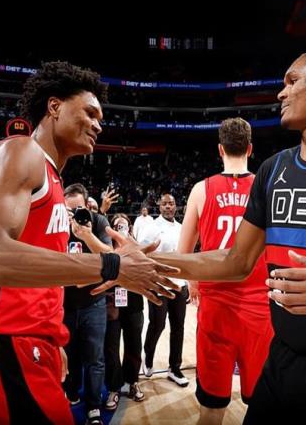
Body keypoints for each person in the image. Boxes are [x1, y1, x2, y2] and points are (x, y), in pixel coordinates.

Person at [95, 49, 306, 424]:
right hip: (281, 359)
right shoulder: (273, 171)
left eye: (293, 81)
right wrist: (148, 260)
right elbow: (234, 261)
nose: (281, 92)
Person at [0, 61, 179, 425]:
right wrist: (112, 265)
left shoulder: (54, 182)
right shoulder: (20, 151)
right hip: (1, 347)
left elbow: (43, 270)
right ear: (54, 107)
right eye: (89, 112)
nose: (98, 124)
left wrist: (52, 338)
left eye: (100, 117)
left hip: (29, 345)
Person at [178, 117, 273, 425]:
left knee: (211, 410)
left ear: (220, 149)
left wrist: (194, 282)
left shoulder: (200, 190)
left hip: (216, 309)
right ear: (250, 148)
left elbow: (183, 252)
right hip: (259, 310)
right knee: (261, 407)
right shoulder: (267, 187)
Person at [62, 183, 112, 425]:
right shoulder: (57, 225)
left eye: (79, 209)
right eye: (69, 210)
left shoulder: (99, 221)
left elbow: (110, 258)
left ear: (87, 205)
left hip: (94, 303)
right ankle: (71, 393)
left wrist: (86, 235)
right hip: (65, 305)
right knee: (69, 355)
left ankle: (93, 406)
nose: (75, 215)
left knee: (95, 357)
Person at [139, 194, 189, 387]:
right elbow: (142, 253)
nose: (168, 207)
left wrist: (188, 283)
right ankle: (148, 356)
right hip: (159, 284)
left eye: (172, 204)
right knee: (157, 325)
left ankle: (174, 368)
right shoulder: (152, 227)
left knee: (178, 327)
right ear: (159, 206)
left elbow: (185, 257)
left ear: (176, 207)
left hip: (179, 285)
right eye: (165, 204)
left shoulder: (182, 228)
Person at [104, 213, 145, 411]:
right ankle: (114, 387)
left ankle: (133, 381)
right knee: (111, 347)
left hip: (134, 303)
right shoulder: (104, 248)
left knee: (134, 344)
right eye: (117, 226)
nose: (121, 229)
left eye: (124, 225)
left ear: (130, 228)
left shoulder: (137, 248)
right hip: (112, 304)